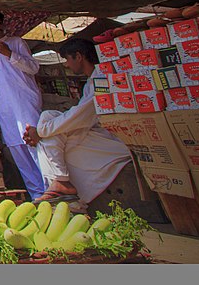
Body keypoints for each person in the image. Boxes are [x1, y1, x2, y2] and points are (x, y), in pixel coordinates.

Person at [23, 38, 132, 205]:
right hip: (94, 134)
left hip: (114, 140)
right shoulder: (91, 82)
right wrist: (41, 130)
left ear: (78, 56)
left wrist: (40, 132)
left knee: (47, 137)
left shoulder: (101, 79)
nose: (67, 64)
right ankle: (60, 182)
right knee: (47, 118)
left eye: (67, 59)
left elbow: (81, 116)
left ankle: (60, 181)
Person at [0, 10, 46, 201]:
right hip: (5, 106)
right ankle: (37, 197)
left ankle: (52, 192)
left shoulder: (17, 43)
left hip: (25, 101)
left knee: (35, 145)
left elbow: (33, 67)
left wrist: (9, 54)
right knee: (18, 151)